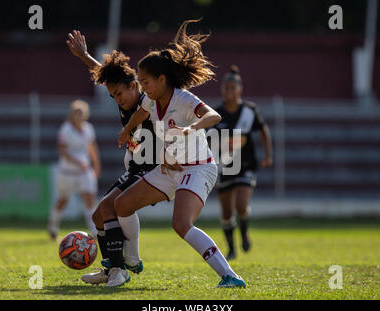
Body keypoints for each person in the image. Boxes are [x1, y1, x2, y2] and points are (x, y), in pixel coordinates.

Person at [114, 19, 246, 288]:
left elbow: (213, 115)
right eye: (140, 82)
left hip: (198, 168)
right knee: (122, 205)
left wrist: (193, 127)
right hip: (170, 168)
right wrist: (127, 129)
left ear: (162, 79)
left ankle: (230, 276)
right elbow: (142, 111)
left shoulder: (183, 99)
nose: (143, 87)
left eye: (146, 81)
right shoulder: (152, 98)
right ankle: (132, 261)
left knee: (181, 224)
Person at [66, 30, 158, 286]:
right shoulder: (123, 98)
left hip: (152, 170)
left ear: (134, 86)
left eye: (119, 94)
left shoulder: (148, 103)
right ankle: (111, 270)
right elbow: (107, 76)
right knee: (98, 217)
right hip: (135, 168)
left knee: (109, 207)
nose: (116, 100)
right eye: (112, 96)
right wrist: (84, 56)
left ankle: (120, 268)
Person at [213, 65, 273, 260]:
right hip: (224, 166)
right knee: (226, 211)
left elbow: (263, 130)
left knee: (241, 204)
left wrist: (268, 155)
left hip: (245, 165)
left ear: (240, 89)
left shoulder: (249, 111)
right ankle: (231, 248)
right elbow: (208, 139)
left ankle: (244, 232)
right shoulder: (216, 114)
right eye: (226, 87)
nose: (229, 91)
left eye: (233, 87)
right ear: (222, 89)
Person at [48, 100, 101, 240]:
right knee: (62, 201)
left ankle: (95, 231)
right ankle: (53, 226)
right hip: (67, 172)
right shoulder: (66, 129)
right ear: (72, 114)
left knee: (89, 198)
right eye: (76, 113)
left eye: (81, 113)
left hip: (84, 172)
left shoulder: (88, 128)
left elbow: (91, 147)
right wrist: (78, 162)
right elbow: (63, 151)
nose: (79, 115)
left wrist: (96, 165)